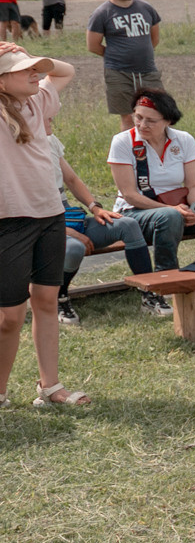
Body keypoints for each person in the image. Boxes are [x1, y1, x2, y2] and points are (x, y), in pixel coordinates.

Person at [0, 43, 89, 405]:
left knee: (47, 302)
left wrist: (25, 53)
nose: (36, 74)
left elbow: (66, 70)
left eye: (36, 68)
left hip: (50, 216)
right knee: (9, 317)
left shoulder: (38, 102)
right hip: (9, 222)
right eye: (25, 70)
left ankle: (50, 387)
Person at [106, 90, 195, 274]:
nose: (142, 125)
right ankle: (167, 275)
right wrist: (171, 210)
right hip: (135, 214)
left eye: (151, 121)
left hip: (177, 209)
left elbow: (194, 185)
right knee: (169, 217)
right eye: (138, 117)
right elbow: (130, 195)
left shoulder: (183, 139)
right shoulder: (122, 142)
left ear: (168, 121)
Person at [53, 133, 146, 325]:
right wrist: (65, 231)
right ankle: (58, 297)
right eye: (48, 118)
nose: (51, 120)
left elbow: (71, 179)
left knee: (127, 225)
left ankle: (150, 293)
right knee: (74, 248)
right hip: (41, 228)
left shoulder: (48, 140)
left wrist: (95, 208)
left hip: (68, 220)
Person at [86, 0, 163, 128]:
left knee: (157, 113)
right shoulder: (102, 13)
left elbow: (154, 38)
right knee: (128, 117)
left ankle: (156, 150)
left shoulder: (146, 8)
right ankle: (129, 152)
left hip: (148, 70)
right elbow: (93, 46)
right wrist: (117, 55)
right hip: (118, 72)